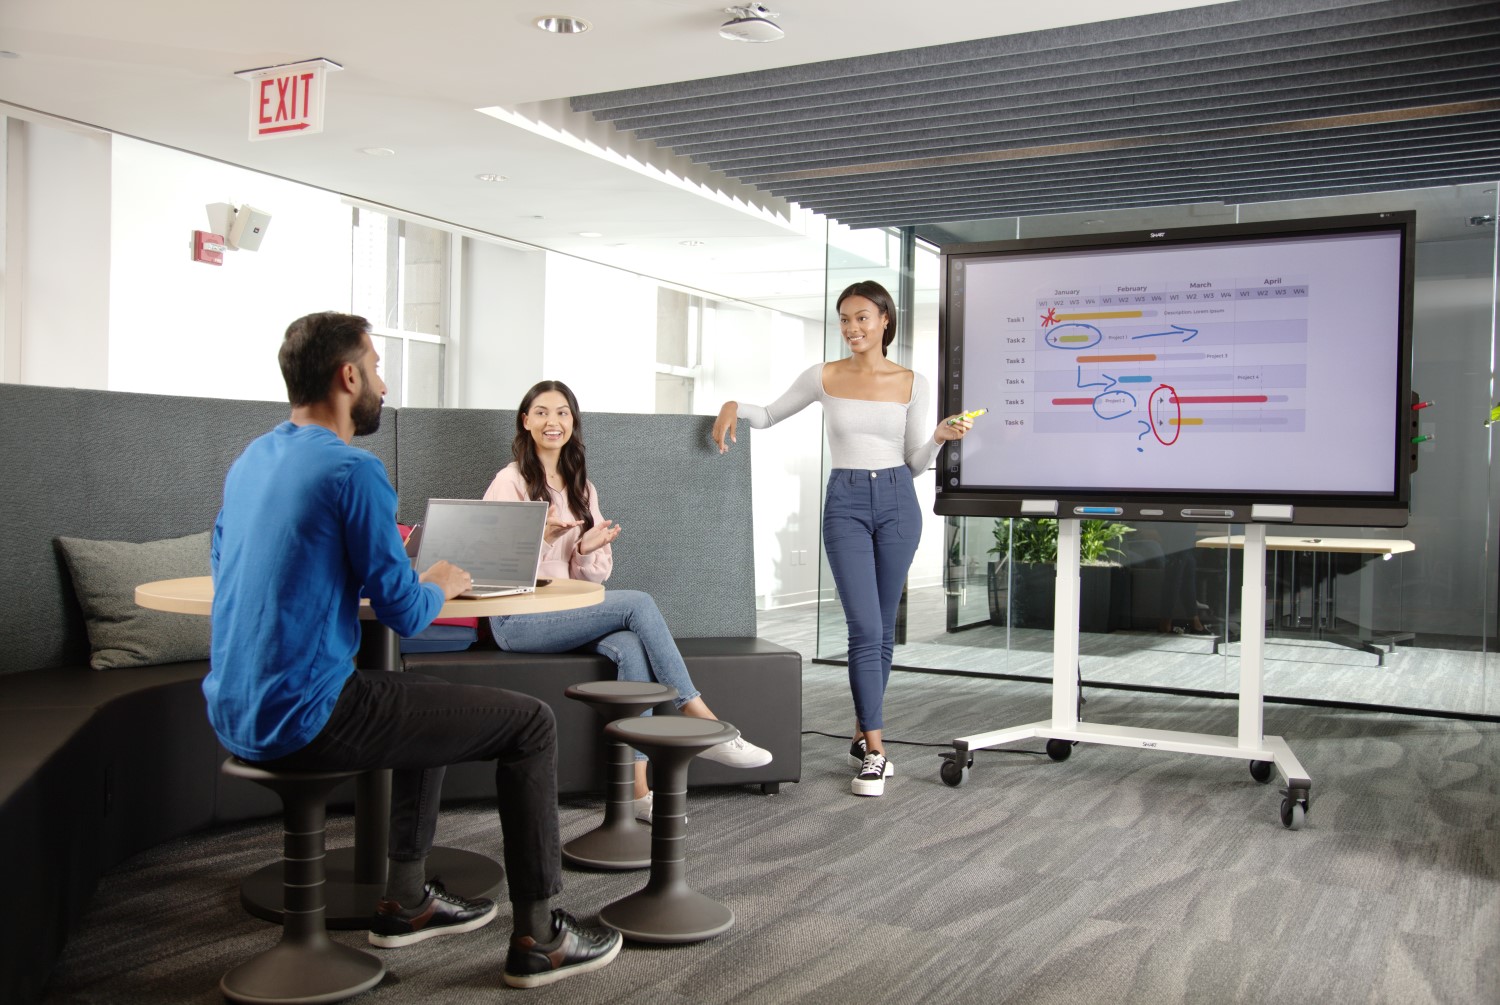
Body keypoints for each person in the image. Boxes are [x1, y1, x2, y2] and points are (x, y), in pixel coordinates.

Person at [203, 312, 620, 990]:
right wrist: (437, 579)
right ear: (348, 376)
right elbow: (403, 610)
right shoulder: (352, 469)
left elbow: (230, 561)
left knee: (422, 693)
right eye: (376, 365)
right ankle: (542, 936)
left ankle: (406, 898)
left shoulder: (253, 459)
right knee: (531, 722)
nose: (383, 382)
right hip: (309, 714)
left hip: (232, 708)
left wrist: (348, 565)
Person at [713, 281, 972, 797]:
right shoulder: (824, 377)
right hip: (847, 503)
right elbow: (767, 416)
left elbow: (914, 465)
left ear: (884, 321)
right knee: (863, 627)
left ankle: (863, 733)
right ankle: (876, 752)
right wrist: (732, 404)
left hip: (899, 502)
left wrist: (938, 440)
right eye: (845, 320)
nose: (852, 329)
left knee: (881, 632)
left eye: (861, 318)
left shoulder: (912, 382)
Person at [483, 379, 773, 823]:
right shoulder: (510, 481)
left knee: (632, 646)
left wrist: (585, 548)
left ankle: (636, 791)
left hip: (563, 614)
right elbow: (493, 568)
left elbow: (596, 577)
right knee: (637, 603)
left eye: (561, 412)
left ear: (572, 422)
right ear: (525, 421)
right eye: (541, 412)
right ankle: (700, 717)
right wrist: (539, 539)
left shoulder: (583, 488)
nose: (552, 421)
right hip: (517, 620)